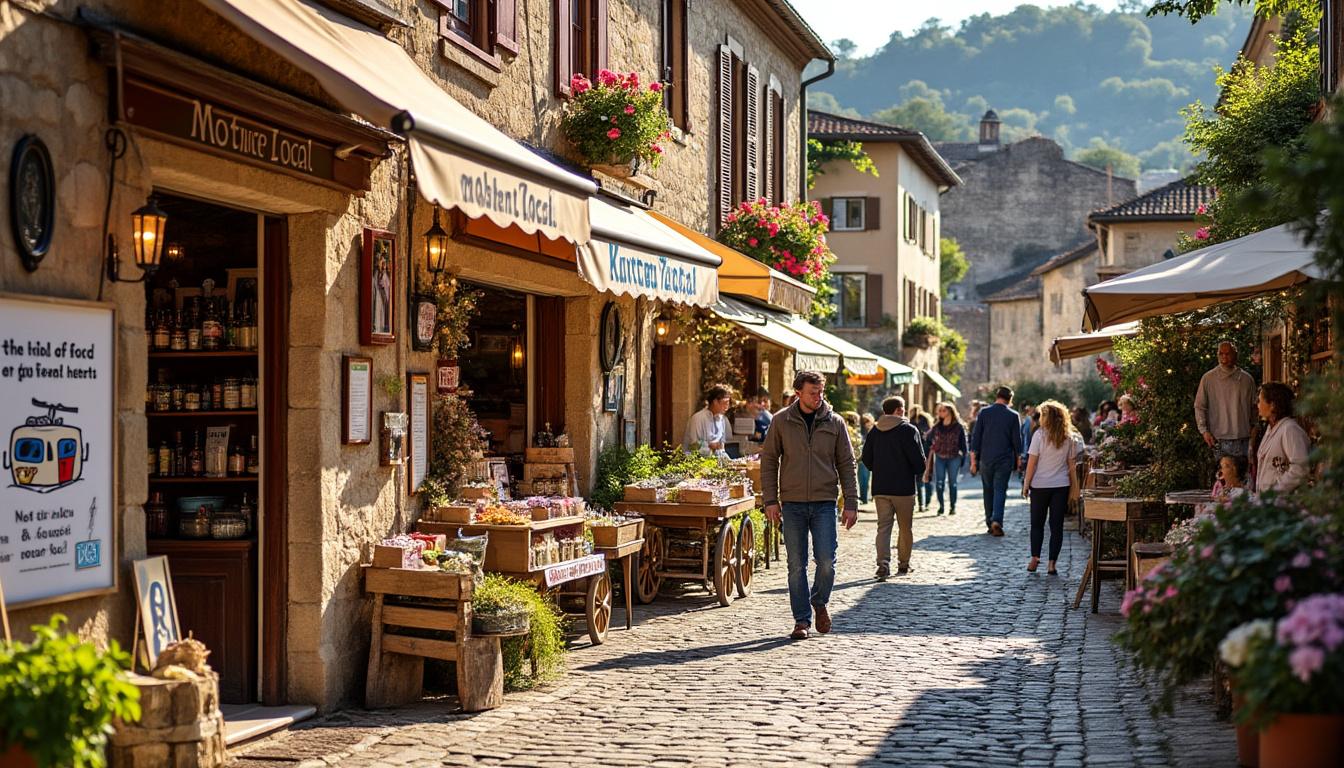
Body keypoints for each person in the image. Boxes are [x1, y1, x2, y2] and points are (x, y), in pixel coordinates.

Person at [760, 371, 859, 640]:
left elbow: (847, 464)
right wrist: (770, 499)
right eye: (813, 393)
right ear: (798, 393)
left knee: (826, 561)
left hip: (825, 502)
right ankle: (801, 620)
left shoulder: (835, 422)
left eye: (821, 392)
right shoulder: (781, 421)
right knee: (796, 564)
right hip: (791, 503)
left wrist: (851, 501)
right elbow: (769, 461)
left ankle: (819, 600)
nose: (818, 397)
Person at [861, 397, 925, 580]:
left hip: (881, 486)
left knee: (883, 527)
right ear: (899, 410)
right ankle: (903, 564)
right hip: (904, 487)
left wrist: (879, 469)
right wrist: (912, 471)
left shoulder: (875, 430)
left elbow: (866, 458)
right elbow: (919, 462)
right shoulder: (909, 430)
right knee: (905, 528)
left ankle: (882, 564)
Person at [1021, 400, 1079, 575]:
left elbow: (1032, 462)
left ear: (1048, 418)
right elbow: (1071, 465)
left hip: (1039, 486)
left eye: (1042, 415)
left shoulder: (1039, 435)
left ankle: (1034, 558)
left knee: (1037, 524)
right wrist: (1074, 487)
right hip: (1061, 486)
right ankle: (1052, 563)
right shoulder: (1068, 437)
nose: (1040, 418)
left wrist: (1026, 484)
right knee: (1056, 526)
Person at [969, 386, 1022, 537]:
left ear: (997, 396)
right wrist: (1019, 461)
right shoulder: (1013, 415)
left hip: (986, 458)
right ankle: (996, 520)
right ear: (1010, 399)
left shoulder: (984, 413)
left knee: (988, 490)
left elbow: (976, 438)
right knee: (1000, 490)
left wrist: (973, 461)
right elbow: (1017, 442)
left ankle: (989, 521)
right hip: (1004, 459)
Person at [1195, 341, 1258, 458]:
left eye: (1227, 354)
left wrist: (1253, 435)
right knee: (1223, 475)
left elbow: (1254, 409)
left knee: (1242, 475)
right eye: (1221, 354)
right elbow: (1199, 406)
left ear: (1235, 355)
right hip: (1218, 439)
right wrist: (1204, 431)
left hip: (1243, 439)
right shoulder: (1208, 378)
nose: (1224, 357)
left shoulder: (1247, 380)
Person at [1254, 382, 1311, 494]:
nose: (1257, 405)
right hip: (1267, 501)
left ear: (1273, 405)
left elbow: (1300, 469)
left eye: (1260, 400)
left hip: (1282, 501)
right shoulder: (1271, 429)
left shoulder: (1290, 429)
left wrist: (1275, 490)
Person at [922, 401, 968, 515]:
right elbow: (927, 439)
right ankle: (941, 507)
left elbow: (963, 444)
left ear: (950, 412)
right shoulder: (937, 426)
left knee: (952, 483)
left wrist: (963, 458)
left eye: (943, 410)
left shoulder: (958, 427)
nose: (941, 413)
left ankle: (953, 507)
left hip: (954, 457)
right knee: (939, 482)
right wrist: (933, 447)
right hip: (940, 457)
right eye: (940, 411)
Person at [684, 384, 732, 458]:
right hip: (697, 462)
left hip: (716, 462)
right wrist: (710, 446)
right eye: (725, 403)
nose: (727, 407)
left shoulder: (722, 419)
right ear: (715, 402)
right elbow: (693, 445)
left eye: (728, 403)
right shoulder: (698, 418)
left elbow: (722, 449)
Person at [908, 405, 934, 511]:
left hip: (915, 453)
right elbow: (931, 437)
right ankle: (926, 502)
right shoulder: (927, 420)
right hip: (927, 452)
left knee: (918, 479)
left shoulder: (910, 423)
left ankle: (920, 504)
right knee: (928, 477)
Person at [858, 413, 875, 504]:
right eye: (864, 422)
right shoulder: (861, 432)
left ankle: (869, 497)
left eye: (867, 421)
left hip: (872, 458)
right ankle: (864, 497)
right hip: (862, 458)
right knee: (862, 478)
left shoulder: (875, 430)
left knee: (869, 478)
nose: (866, 424)